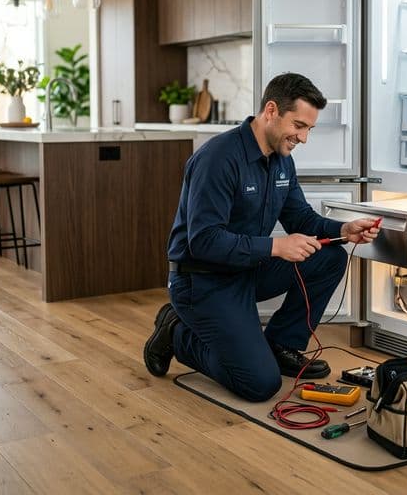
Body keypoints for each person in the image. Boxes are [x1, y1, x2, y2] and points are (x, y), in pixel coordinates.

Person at [143, 73, 380, 402]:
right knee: (260, 384)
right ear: (271, 110)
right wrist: (277, 246)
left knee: (330, 257)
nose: (304, 137)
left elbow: (300, 218)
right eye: (299, 125)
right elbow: (204, 241)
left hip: (246, 271)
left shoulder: (282, 162)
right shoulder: (218, 159)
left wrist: (343, 230)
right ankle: (177, 332)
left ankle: (282, 344)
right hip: (202, 282)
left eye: (309, 128)